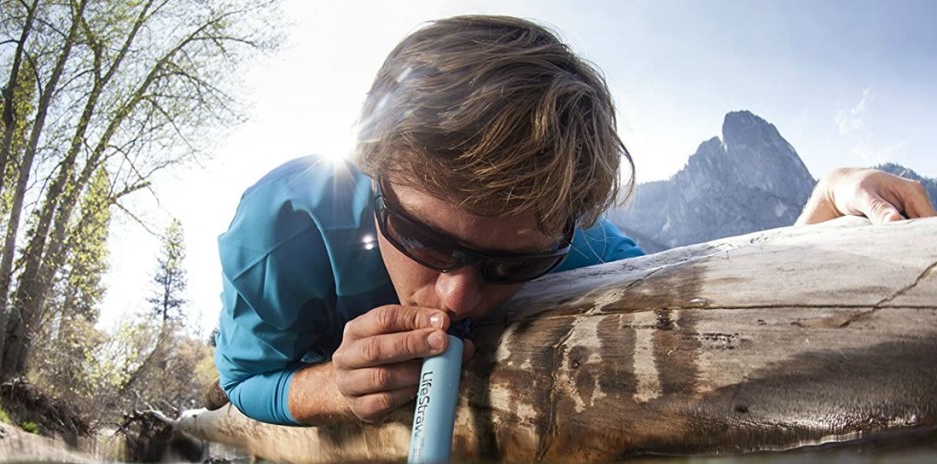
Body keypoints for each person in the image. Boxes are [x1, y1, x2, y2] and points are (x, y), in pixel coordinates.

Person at [214, 15, 936, 428]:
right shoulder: (279, 230)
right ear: (372, 169)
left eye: (510, 267)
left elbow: (695, 281)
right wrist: (327, 389)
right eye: (426, 241)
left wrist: (820, 211)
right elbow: (245, 376)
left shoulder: (571, 243)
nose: (459, 297)